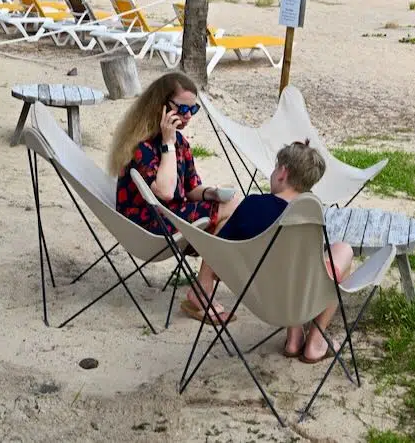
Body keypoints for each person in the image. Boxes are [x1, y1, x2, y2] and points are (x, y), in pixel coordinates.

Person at [110, 72, 241, 324]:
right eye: (182, 108)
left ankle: (202, 290)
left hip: (170, 215)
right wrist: (168, 142)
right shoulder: (142, 145)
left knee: (230, 207)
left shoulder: (180, 142)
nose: (188, 116)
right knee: (230, 212)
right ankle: (202, 291)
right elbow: (166, 192)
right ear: (161, 106)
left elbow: (190, 189)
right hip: (146, 224)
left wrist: (210, 193)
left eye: (193, 109)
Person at [215, 140, 354, 364]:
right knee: (342, 249)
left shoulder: (251, 205)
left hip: (261, 298)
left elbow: (219, 250)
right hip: (302, 298)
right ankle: (315, 340)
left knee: (283, 267)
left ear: (282, 172)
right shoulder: (309, 217)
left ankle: (294, 337)